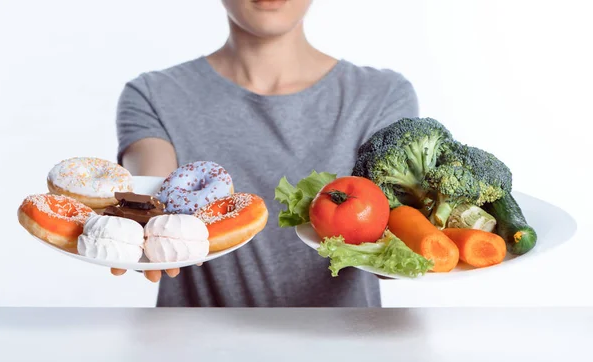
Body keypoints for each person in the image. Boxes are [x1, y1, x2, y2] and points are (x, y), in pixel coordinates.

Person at [110, 0, 419, 307]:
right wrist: (135, 234)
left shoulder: (382, 96)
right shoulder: (154, 95)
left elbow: (396, 240)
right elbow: (151, 198)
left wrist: (415, 247)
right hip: (198, 349)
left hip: (345, 348)